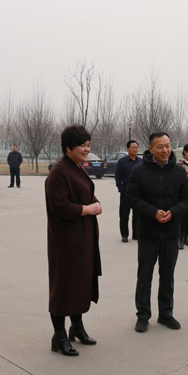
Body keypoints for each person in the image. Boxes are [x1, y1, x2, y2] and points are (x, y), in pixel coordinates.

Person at [45, 125, 103, 356]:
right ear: (68, 148)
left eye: (88, 145)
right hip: (66, 243)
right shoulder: (58, 173)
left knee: (80, 284)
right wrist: (88, 209)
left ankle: (76, 327)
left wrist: (95, 203)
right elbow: (59, 206)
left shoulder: (77, 167)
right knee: (63, 287)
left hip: (83, 239)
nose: (87, 149)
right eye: (82, 145)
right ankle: (59, 335)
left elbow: (85, 193)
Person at [126, 132, 188, 333]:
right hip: (148, 233)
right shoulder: (139, 171)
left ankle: (166, 314)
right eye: (160, 147)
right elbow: (132, 198)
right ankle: (143, 315)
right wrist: (153, 212)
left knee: (167, 276)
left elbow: (186, 199)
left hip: (171, 233)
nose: (165, 150)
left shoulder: (179, 172)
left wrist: (173, 212)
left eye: (168, 146)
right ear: (151, 149)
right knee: (144, 276)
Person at [115, 140, 142, 243]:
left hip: (138, 191)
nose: (135, 149)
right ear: (128, 149)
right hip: (126, 190)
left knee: (137, 214)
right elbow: (118, 176)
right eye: (133, 147)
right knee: (124, 214)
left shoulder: (141, 161)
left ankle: (136, 234)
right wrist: (121, 188)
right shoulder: (122, 162)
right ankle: (124, 235)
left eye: (136, 147)